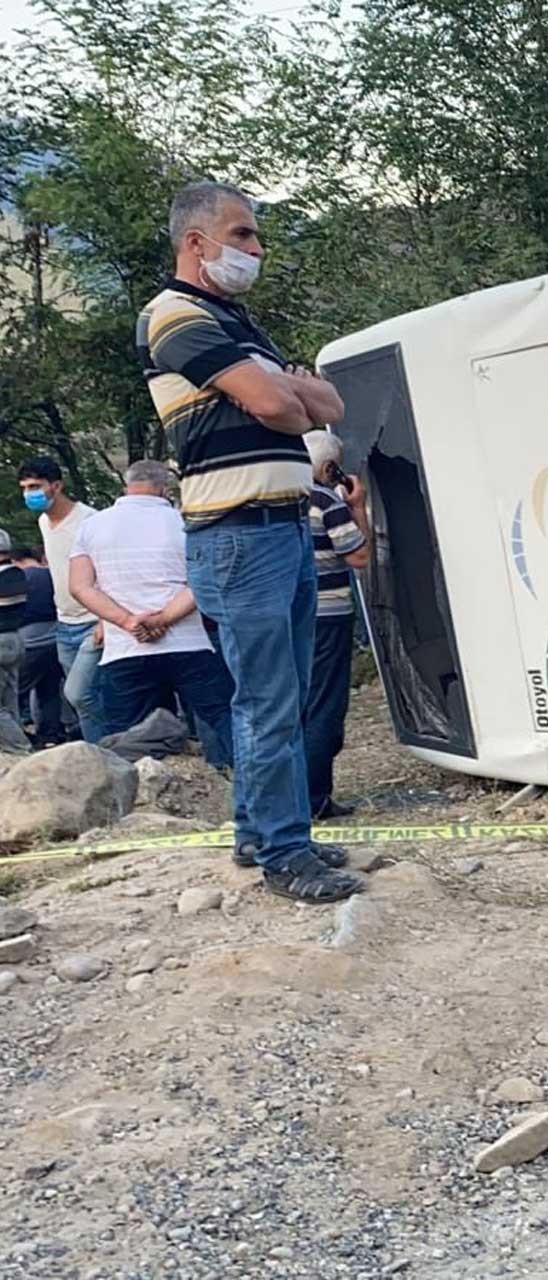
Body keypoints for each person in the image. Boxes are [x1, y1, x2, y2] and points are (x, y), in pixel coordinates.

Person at [136, 180, 362, 903]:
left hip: (279, 527)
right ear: (195, 243)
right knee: (269, 702)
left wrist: (286, 394)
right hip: (239, 533)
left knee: (274, 699)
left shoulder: (237, 326)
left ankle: (260, 831)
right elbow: (284, 402)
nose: (256, 250)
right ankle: (286, 854)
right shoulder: (174, 315)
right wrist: (283, 391)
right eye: (243, 235)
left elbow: (331, 402)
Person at [65, 461, 235, 767]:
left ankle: (143, 803)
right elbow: (203, 579)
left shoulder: (92, 526)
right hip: (189, 643)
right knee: (225, 721)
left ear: (126, 486)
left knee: (128, 741)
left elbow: (80, 586)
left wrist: (128, 621)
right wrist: (164, 618)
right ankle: (239, 784)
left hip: (125, 647)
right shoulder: (188, 522)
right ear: (165, 489)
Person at [302, 430, 370, 821]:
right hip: (329, 616)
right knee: (325, 704)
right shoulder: (325, 499)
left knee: (297, 703)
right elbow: (358, 555)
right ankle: (317, 798)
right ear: (330, 467)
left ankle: (294, 794)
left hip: (291, 617)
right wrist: (356, 506)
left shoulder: (281, 497)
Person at [17, 457, 101, 741]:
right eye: (25, 487)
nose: (30, 494)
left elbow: (108, 570)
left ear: (57, 485)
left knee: (81, 694)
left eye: (35, 486)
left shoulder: (89, 520)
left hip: (94, 621)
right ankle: (99, 757)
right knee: (83, 702)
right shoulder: (43, 522)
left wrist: (105, 620)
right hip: (63, 623)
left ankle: (112, 753)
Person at [9, 545, 65, 748]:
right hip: (55, 641)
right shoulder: (54, 575)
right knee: (49, 691)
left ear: (16, 561)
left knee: (13, 693)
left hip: (29, 643)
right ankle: (51, 736)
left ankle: (16, 739)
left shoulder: (21, 579)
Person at [0, 534, 30, 753]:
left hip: (4, 641)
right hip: (12, 641)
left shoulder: (10, 575)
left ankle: (20, 747)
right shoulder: (14, 573)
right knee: (10, 702)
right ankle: (16, 751)